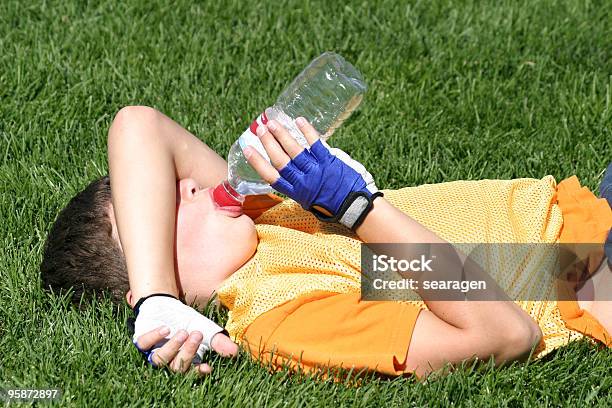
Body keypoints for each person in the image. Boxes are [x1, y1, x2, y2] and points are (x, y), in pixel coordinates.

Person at [40, 106, 612, 378]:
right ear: (155, 263)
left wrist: (154, 292)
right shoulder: (278, 320)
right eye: (169, 202)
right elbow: (507, 333)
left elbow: (137, 124)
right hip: (587, 274)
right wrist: (358, 208)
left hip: (586, 210)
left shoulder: (262, 221)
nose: (189, 183)